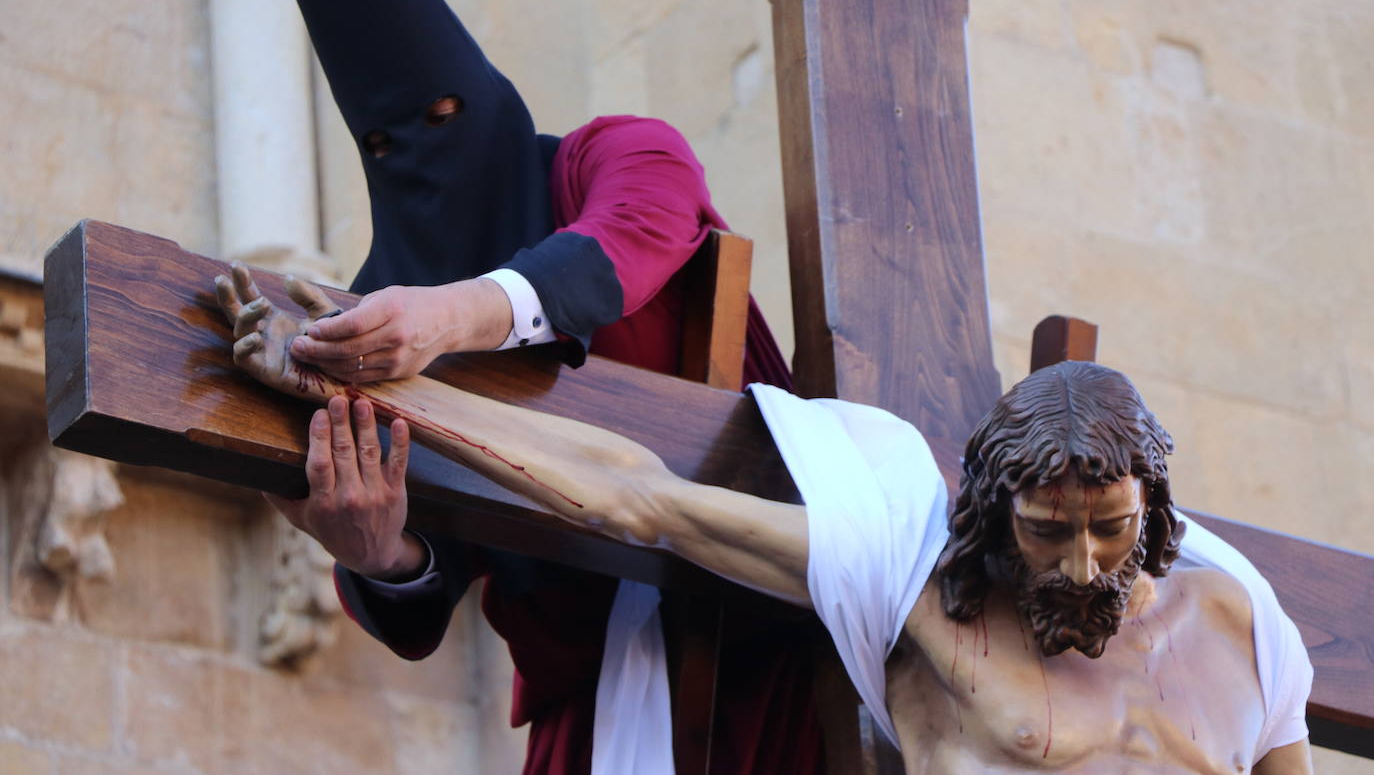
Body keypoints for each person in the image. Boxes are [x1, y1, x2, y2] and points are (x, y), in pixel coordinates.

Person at [236, 0, 824, 772]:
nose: (423, 154)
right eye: (388, 145)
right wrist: (378, 551)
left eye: (445, 115)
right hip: (595, 711)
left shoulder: (604, 159)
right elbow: (426, 574)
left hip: (784, 637)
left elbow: (646, 223)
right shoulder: (367, 315)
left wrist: (456, 315)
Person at [212, 300, 1315, 775]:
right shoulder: (917, 582)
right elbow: (633, 495)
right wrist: (381, 384)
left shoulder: (1244, 628)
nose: (1081, 565)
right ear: (993, 514)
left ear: (1156, 511)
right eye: (1045, 533)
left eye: (1113, 531)